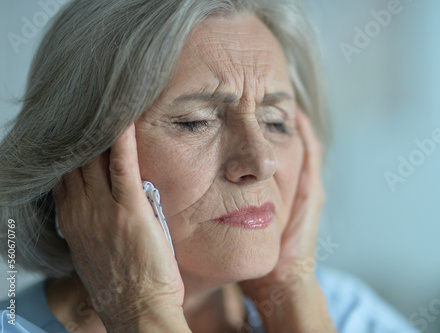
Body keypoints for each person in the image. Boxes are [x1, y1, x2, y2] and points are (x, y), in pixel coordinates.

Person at [0, 0, 417, 332]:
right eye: (195, 122)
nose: (261, 161)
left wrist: (293, 299)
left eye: (275, 122)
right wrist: (140, 309)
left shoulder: (348, 313)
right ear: (82, 157)